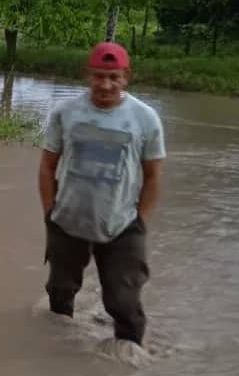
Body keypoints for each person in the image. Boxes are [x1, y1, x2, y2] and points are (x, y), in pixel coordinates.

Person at [38, 42, 166, 346]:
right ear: (87, 75)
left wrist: (140, 222)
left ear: (126, 77)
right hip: (66, 222)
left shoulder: (145, 119)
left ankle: (130, 358)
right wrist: (50, 214)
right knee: (59, 294)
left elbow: (154, 176)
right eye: (98, 76)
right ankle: (54, 353)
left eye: (114, 77)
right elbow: (46, 167)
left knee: (124, 304)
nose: (106, 85)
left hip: (122, 225)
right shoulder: (64, 113)